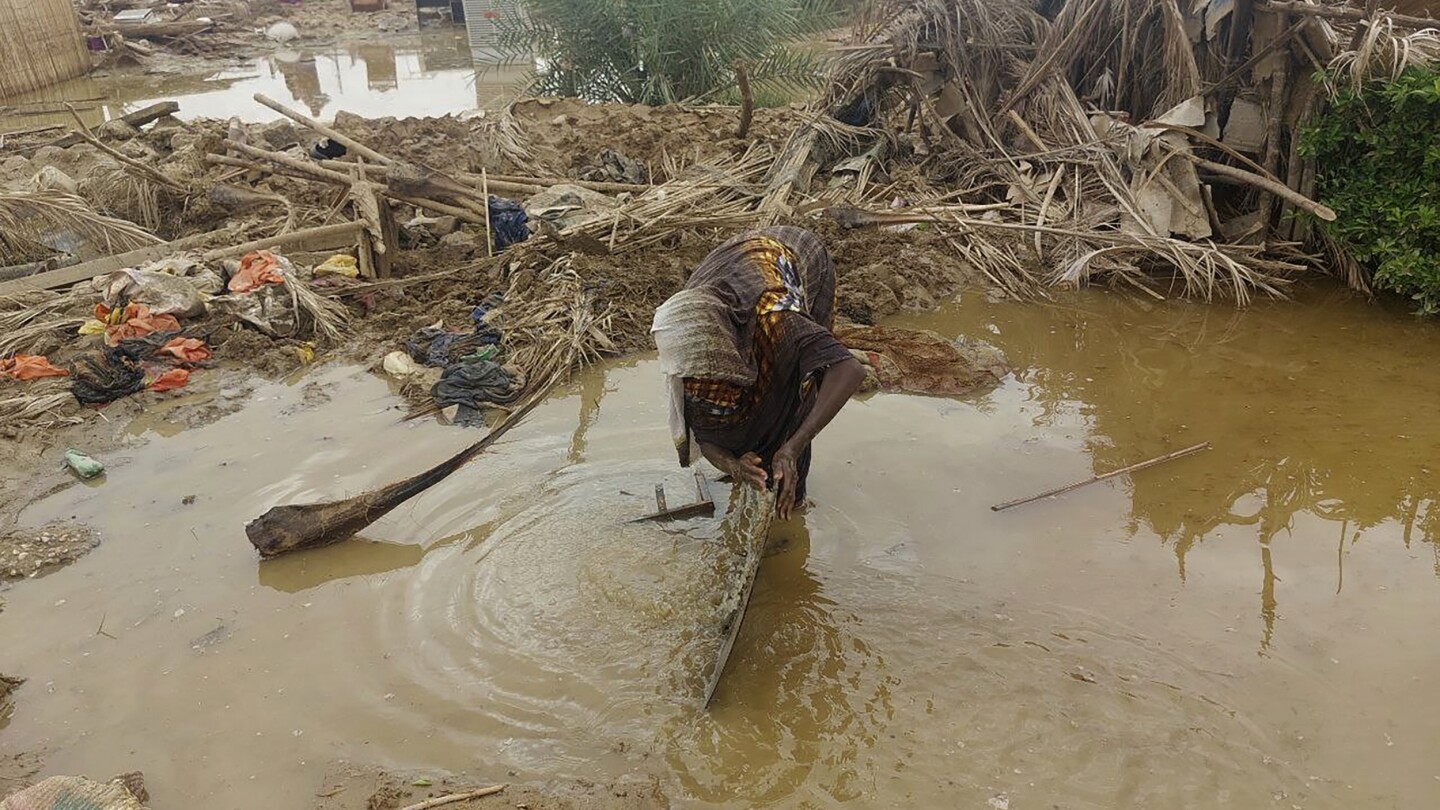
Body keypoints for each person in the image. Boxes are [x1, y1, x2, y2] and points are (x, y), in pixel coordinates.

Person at [651, 226, 865, 518]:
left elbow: (848, 369)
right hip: (730, 268)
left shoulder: (777, 319)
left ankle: (790, 480)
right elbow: (707, 436)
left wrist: (792, 447)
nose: (701, 383)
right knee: (730, 405)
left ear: (723, 351)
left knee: (794, 381)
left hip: (794, 258)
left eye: (708, 375)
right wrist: (734, 466)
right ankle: (762, 464)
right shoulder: (687, 350)